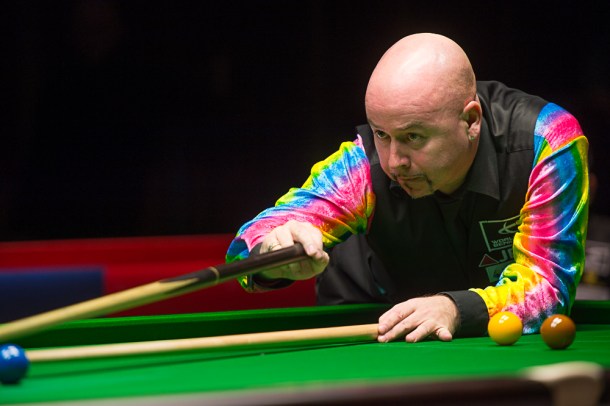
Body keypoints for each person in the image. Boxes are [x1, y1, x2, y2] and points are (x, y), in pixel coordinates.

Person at [226, 33, 589, 343]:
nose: (393, 161)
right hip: (370, 318)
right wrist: (271, 257)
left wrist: (456, 308)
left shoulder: (546, 140)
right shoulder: (362, 167)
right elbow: (247, 248)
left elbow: (549, 285)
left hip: (472, 327)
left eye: (413, 136)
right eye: (381, 134)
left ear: (470, 120)